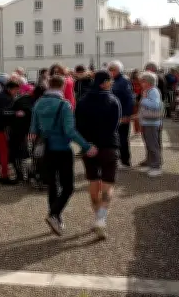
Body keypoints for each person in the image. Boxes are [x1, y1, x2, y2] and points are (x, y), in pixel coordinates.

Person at [30, 75, 96, 236]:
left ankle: (55, 216)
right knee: (68, 186)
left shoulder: (38, 103)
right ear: (62, 87)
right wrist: (86, 146)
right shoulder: (64, 105)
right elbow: (70, 131)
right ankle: (54, 214)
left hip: (46, 150)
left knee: (53, 185)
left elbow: (32, 131)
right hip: (62, 149)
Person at [75, 70, 121, 238]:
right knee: (108, 185)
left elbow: (77, 125)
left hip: (88, 147)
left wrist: (88, 144)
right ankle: (101, 219)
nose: (112, 84)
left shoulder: (82, 101)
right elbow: (114, 125)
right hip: (109, 146)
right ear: (104, 82)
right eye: (110, 81)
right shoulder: (113, 100)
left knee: (93, 181)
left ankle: (98, 218)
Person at [107, 61, 135, 168]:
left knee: (123, 138)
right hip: (113, 115)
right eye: (110, 69)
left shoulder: (124, 81)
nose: (111, 71)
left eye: (113, 69)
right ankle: (117, 159)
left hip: (122, 114)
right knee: (115, 138)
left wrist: (127, 115)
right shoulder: (111, 80)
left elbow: (129, 99)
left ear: (118, 70)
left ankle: (125, 161)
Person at [138, 72, 164, 177]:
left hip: (151, 123)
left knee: (153, 145)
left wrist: (143, 99)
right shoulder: (149, 91)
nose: (141, 83)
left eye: (142, 81)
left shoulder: (153, 91)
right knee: (150, 145)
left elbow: (155, 105)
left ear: (148, 82)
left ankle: (156, 167)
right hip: (148, 122)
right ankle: (152, 164)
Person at [9, 80, 34, 183]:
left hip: (17, 131)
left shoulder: (17, 101)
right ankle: (29, 175)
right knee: (27, 154)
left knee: (19, 154)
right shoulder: (33, 102)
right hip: (28, 131)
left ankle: (21, 175)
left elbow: (11, 115)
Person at [130, 69, 143, 136]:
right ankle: (138, 130)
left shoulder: (131, 81)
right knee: (138, 116)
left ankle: (137, 130)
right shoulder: (138, 81)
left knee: (136, 116)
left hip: (135, 99)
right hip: (138, 99)